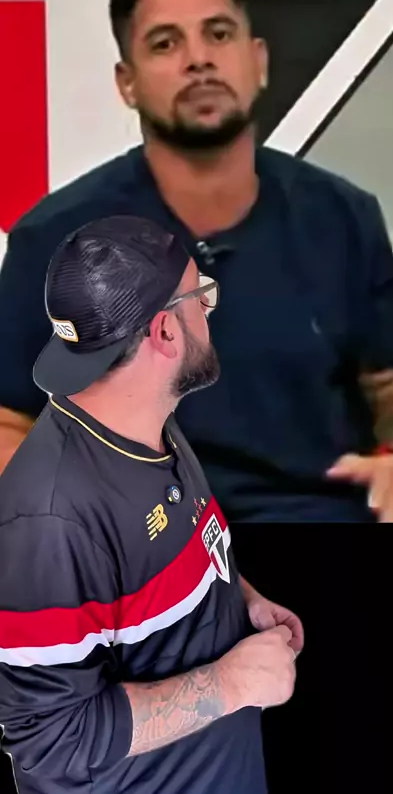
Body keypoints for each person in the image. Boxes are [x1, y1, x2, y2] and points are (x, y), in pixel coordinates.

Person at [0, 0, 393, 793]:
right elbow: (11, 433)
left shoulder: (342, 217)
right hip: (134, 599)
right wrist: (83, 548)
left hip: (277, 567)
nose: (199, 57)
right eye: (166, 42)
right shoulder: (54, 240)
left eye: (217, 33)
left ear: (258, 57)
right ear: (127, 81)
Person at [0, 215, 302, 794]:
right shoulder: (51, 521)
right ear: (165, 332)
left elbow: (168, 560)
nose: (209, 310)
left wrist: (241, 601)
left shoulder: (147, 418)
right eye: (200, 297)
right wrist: (231, 685)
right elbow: (51, 742)